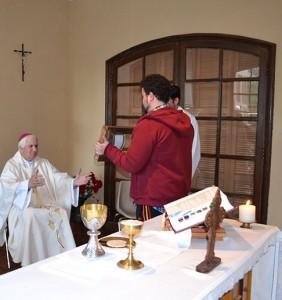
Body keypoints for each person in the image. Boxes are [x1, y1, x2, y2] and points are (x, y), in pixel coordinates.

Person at [95, 74, 194, 221]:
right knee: (170, 242)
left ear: (151, 96)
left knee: (149, 242)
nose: (142, 100)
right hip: (178, 198)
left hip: (153, 199)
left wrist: (108, 149)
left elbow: (132, 163)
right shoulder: (185, 121)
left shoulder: (149, 124)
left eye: (143, 96)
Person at [0, 133, 91, 266]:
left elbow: (58, 179)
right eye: (30, 146)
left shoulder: (43, 163)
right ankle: (31, 257)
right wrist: (28, 184)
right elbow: (6, 188)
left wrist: (73, 183)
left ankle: (60, 254)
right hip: (21, 208)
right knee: (30, 215)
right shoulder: (12, 165)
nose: (35, 149)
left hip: (44, 203)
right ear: (21, 149)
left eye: (36, 146)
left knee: (60, 211)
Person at [169, 85, 201, 178]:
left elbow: (195, 150)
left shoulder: (189, 119)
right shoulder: (160, 117)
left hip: (181, 173)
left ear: (176, 101)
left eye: (167, 102)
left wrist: (186, 176)